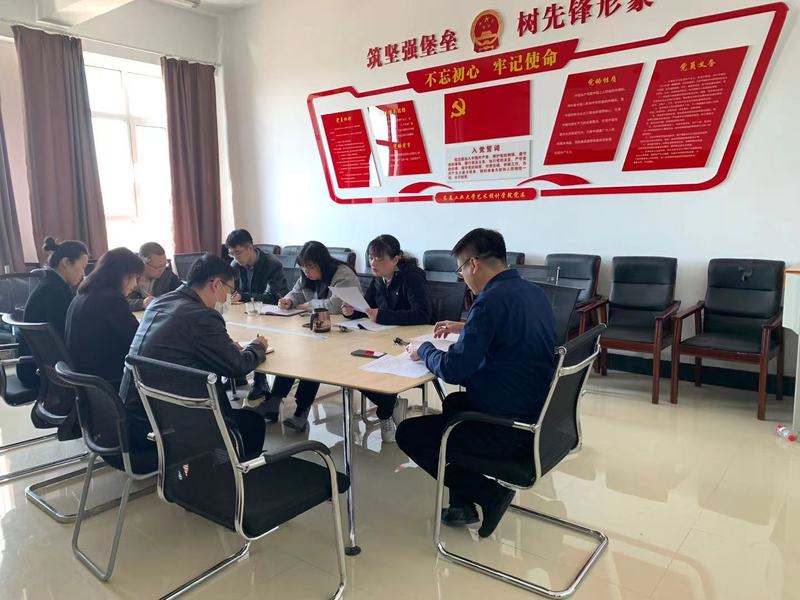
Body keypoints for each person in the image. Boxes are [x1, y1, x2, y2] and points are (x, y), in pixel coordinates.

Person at [397, 228, 556, 538]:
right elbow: (510, 329)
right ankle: (462, 504)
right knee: (455, 403)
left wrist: (424, 349)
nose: (463, 277)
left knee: (410, 433)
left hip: (508, 427)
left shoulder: (489, 301)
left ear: (473, 264)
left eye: (460, 269)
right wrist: (466, 326)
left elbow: (454, 369)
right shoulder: (533, 292)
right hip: (538, 412)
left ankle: (489, 494)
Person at [119, 253, 269, 459]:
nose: (229, 298)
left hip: (136, 420)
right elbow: (237, 367)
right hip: (167, 430)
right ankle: (237, 471)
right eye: (230, 291)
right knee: (252, 422)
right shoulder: (202, 316)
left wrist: (223, 348)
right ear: (216, 284)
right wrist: (257, 346)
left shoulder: (160, 303)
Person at [341, 234, 430, 443]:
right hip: (382, 337)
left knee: (370, 366)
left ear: (396, 259)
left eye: (379, 259)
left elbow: (422, 315)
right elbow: (368, 308)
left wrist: (382, 315)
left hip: (407, 342)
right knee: (354, 366)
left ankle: (385, 412)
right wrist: (352, 311)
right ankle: (390, 405)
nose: (373, 263)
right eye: (371, 257)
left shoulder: (411, 278)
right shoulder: (379, 278)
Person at [265, 241, 360, 430]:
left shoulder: (343, 274)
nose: (306, 271)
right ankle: (274, 401)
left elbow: (334, 306)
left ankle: (301, 410)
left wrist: (305, 305)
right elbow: (295, 294)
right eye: (303, 267)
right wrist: (288, 301)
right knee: (292, 353)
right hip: (317, 331)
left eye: (310, 266)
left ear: (322, 263)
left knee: (313, 359)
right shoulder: (306, 275)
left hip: (345, 335)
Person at [66, 248, 144, 390]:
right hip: (108, 382)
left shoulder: (83, 295)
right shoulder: (110, 299)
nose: (135, 284)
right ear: (122, 275)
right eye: (134, 277)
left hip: (86, 380)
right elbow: (137, 342)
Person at [16, 237, 89, 387]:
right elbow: (66, 335)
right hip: (41, 370)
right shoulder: (54, 291)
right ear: (66, 262)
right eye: (82, 267)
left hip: (35, 366)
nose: (83, 274)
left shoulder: (51, 284)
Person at [225, 229, 288, 401]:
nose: (235, 257)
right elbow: (231, 290)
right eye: (231, 254)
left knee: (257, 336)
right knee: (229, 331)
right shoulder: (235, 266)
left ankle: (261, 382)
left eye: (238, 252)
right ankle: (237, 374)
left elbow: (273, 297)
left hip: (272, 316)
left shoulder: (271, 264)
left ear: (250, 247)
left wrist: (243, 296)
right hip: (247, 314)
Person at [126, 242, 181, 311]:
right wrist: (142, 303)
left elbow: (181, 292)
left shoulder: (166, 273)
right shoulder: (130, 277)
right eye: (157, 267)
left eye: (164, 265)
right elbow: (119, 302)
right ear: (143, 263)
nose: (161, 270)